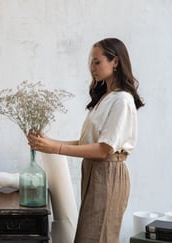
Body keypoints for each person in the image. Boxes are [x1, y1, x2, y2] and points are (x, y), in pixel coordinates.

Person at [27, 38, 144, 243]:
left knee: (97, 237)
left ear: (115, 61)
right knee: (90, 236)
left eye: (97, 62)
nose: (92, 68)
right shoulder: (105, 98)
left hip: (107, 173)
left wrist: (55, 147)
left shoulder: (122, 100)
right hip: (95, 170)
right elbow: (87, 143)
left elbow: (103, 150)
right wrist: (48, 142)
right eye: (91, 62)